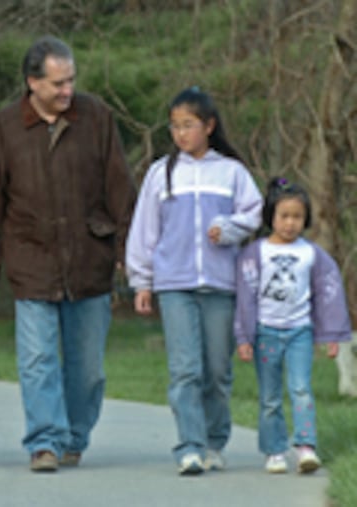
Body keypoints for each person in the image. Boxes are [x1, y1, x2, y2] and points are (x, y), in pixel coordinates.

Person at [0, 35, 136, 472]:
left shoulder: (96, 117)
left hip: (89, 259)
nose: (67, 91)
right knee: (38, 360)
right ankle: (43, 441)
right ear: (32, 83)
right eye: (58, 83)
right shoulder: (4, 128)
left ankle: (74, 437)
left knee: (88, 371)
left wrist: (126, 248)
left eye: (71, 81)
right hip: (31, 260)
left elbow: (120, 186)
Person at [126, 86, 263, 475]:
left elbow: (253, 214)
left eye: (188, 125)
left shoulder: (232, 172)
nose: (181, 134)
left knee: (217, 371)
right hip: (175, 286)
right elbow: (144, 231)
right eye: (174, 126)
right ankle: (189, 446)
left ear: (209, 126)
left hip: (221, 286)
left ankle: (215, 442)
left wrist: (230, 228)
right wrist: (142, 282)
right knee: (185, 369)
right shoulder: (161, 174)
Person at [234, 177, 352, 474]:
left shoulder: (313, 255)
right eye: (284, 216)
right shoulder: (255, 254)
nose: (290, 223)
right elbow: (245, 297)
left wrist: (331, 334)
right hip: (265, 332)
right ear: (271, 216)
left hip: (300, 332)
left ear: (306, 219)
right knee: (270, 396)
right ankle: (274, 450)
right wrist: (243, 337)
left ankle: (305, 447)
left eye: (297, 217)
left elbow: (329, 293)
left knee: (301, 389)